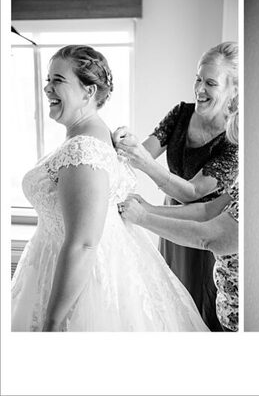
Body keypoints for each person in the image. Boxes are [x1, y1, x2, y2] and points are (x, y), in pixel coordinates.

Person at [10, 45, 208, 331]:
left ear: (88, 92)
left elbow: (83, 244)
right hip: (50, 268)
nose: (47, 88)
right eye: (47, 79)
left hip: (82, 287)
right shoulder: (90, 137)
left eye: (58, 80)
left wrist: (51, 323)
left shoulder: (84, 150)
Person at [113, 42, 238, 331]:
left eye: (210, 83)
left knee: (200, 304)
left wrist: (144, 165)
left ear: (234, 89)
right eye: (198, 79)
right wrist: (122, 142)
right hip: (168, 217)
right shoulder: (181, 113)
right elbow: (143, 150)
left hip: (207, 226)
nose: (200, 89)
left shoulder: (234, 139)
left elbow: (192, 193)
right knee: (170, 300)